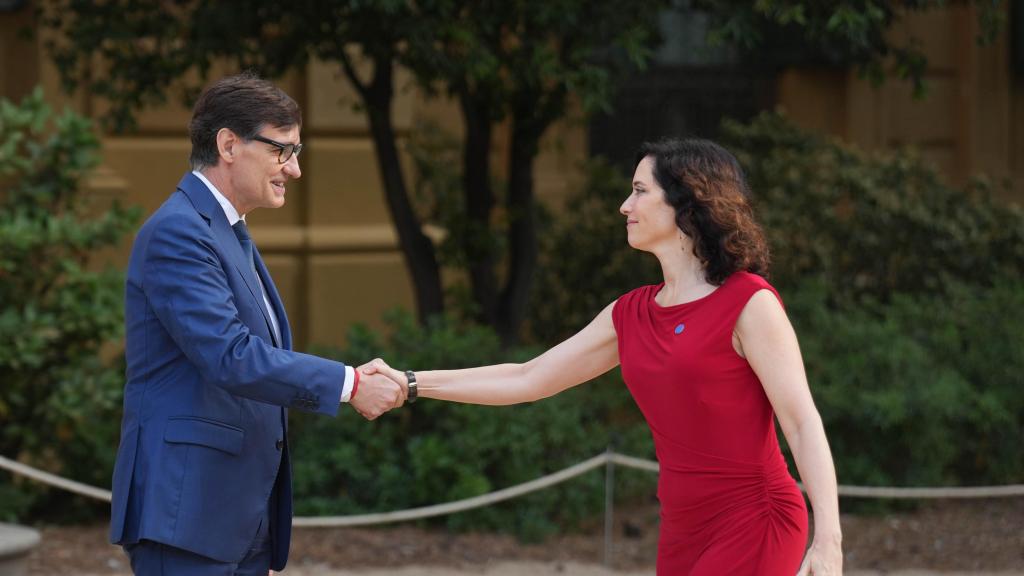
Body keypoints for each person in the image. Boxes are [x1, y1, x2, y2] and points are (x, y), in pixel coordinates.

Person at [367, 138, 843, 575]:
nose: (624, 206)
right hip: (681, 530)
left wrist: (829, 541)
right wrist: (412, 383)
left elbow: (801, 422)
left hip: (756, 518)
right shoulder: (630, 314)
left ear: (687, 202)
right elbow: (527, 377)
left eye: (639, 191)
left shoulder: (749, 302)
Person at [108, 72, 407, 575]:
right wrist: (351, 384)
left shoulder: (224, 230)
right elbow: (231, 357)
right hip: (186, 518)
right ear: (228, 145)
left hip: (234, 519)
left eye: (296, 151)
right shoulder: (178, 232)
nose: (294, 169)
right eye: (281, 150)